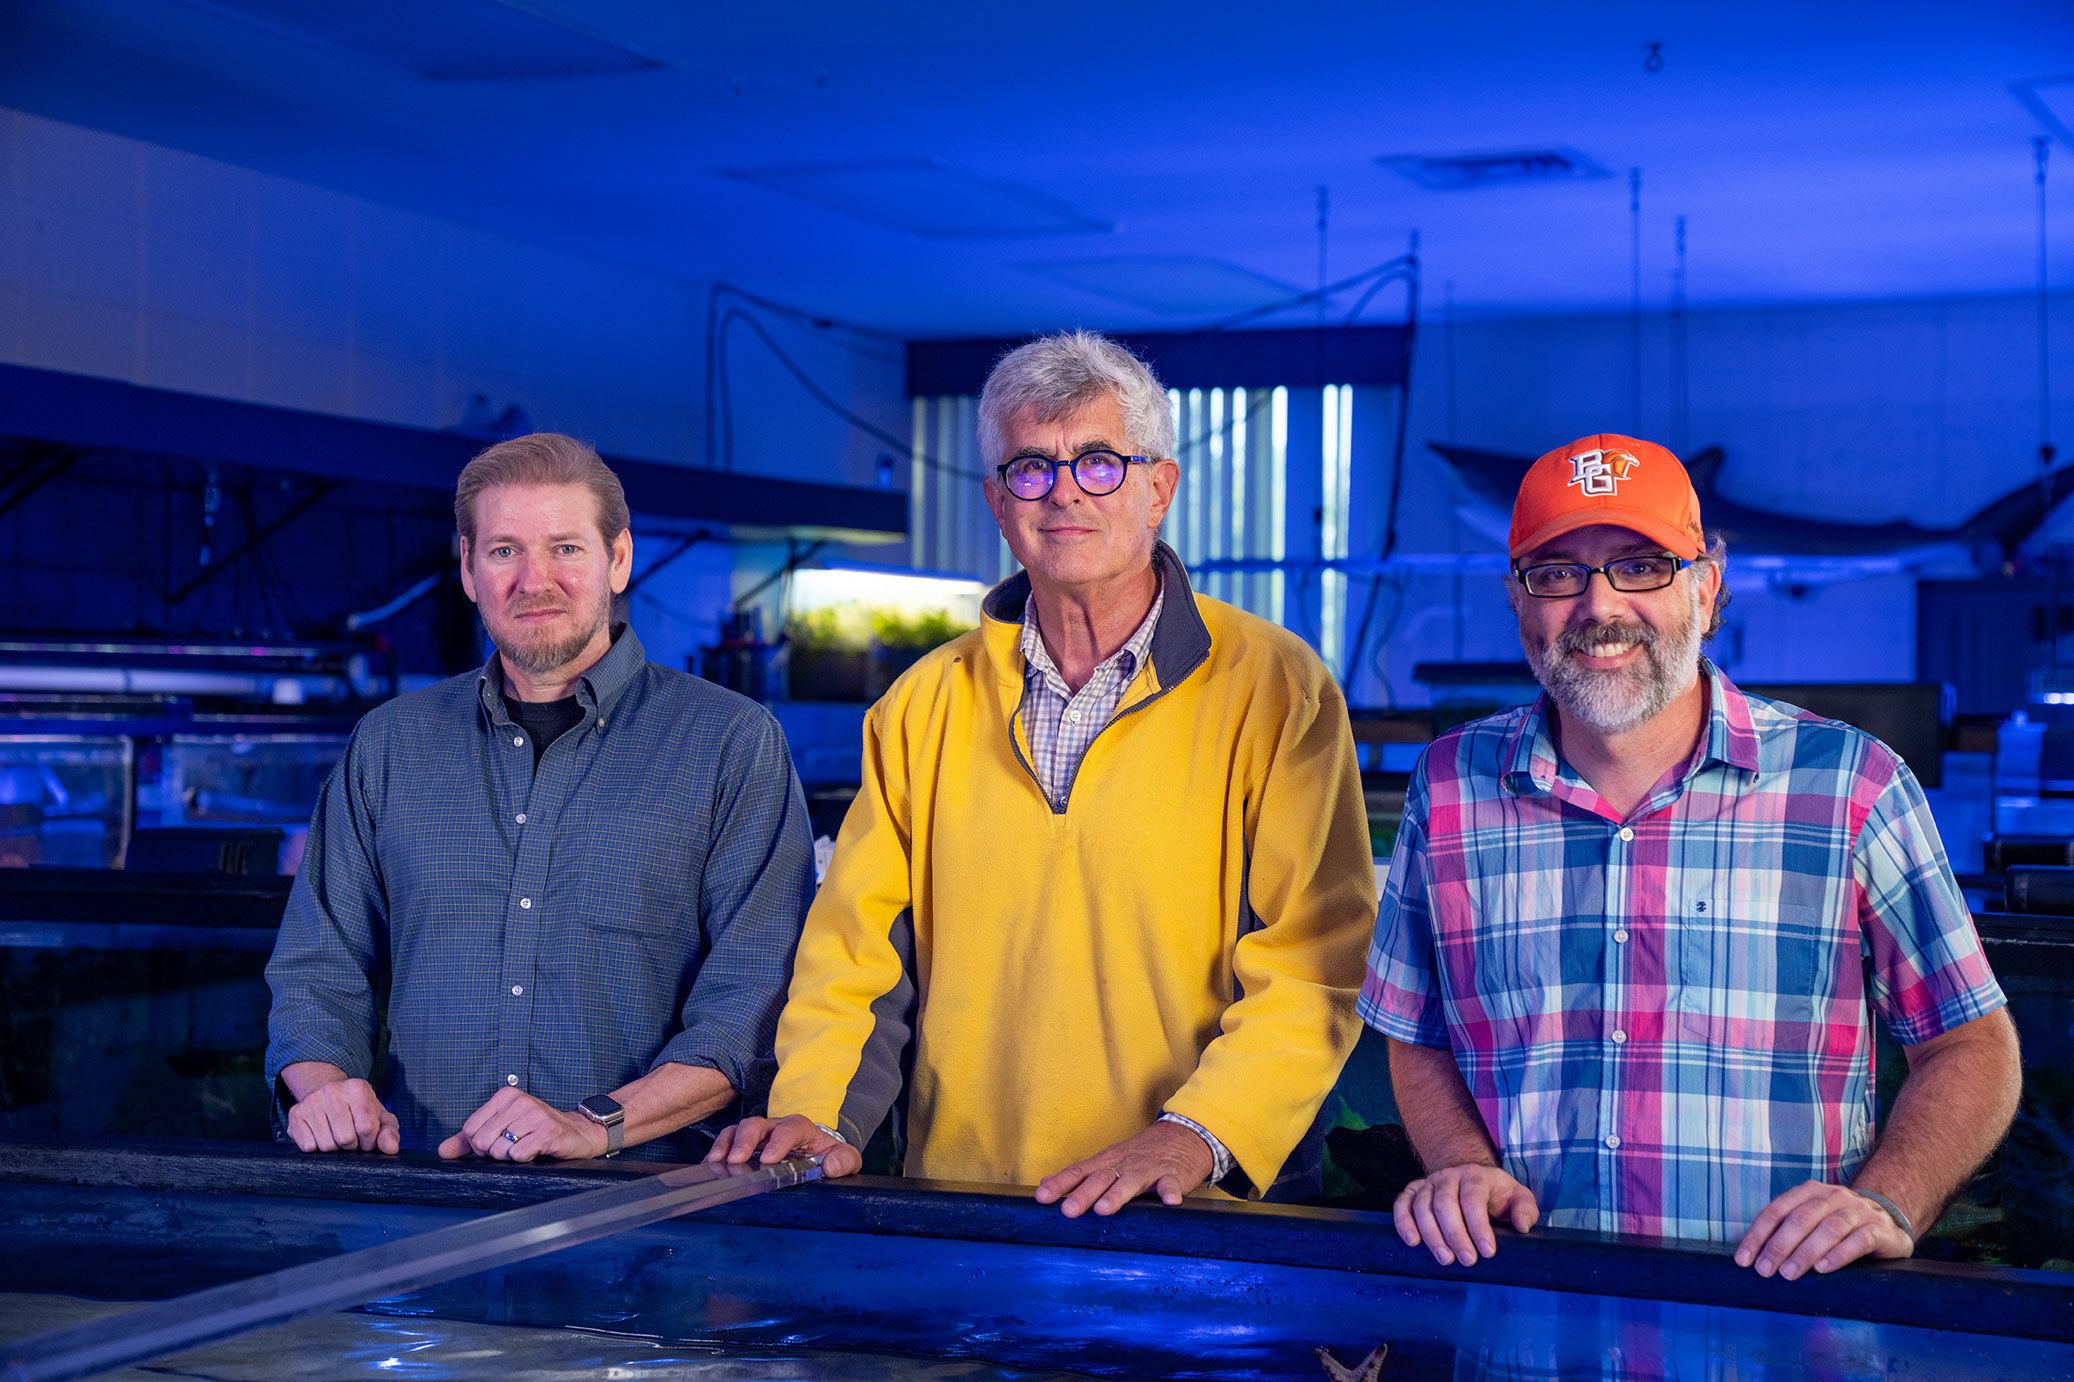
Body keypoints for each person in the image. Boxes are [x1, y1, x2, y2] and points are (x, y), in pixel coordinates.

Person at [711, 331, 1377, 1214]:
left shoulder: (1275, 688)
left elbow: (1316, 961)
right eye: (1031, 467)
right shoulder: (922, 706)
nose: (1062, 492)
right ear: (997, 501)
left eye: (1099, 462)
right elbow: (856, 953)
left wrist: (1195, 1134)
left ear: (1159, 489)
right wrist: (814, 1112)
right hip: (969, 1213)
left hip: (1197, 1221)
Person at [1361, 432, 2020, 1279]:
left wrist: (1891, 1200)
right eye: (1557, 573)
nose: (1599, 607)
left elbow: (1969, 1043)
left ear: (1707, 590)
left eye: (1641, 566)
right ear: (1517, 600)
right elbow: (1416, 1029)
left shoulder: (1853, 784)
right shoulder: (1449, 787)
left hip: (1782, 1330)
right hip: (1524, 1314)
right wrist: (1458, 1159)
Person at [264, 432, 813, 1162]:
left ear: (618, 560)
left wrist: (594, 1125)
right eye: (503, 552)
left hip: (642, 1223)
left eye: (566, 548)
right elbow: (317, 967)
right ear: (466, 568)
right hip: (418, 1204)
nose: (534, 580)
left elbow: (752, 1001)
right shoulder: (389, 746)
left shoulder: (730, 744)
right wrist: (325, 1085)